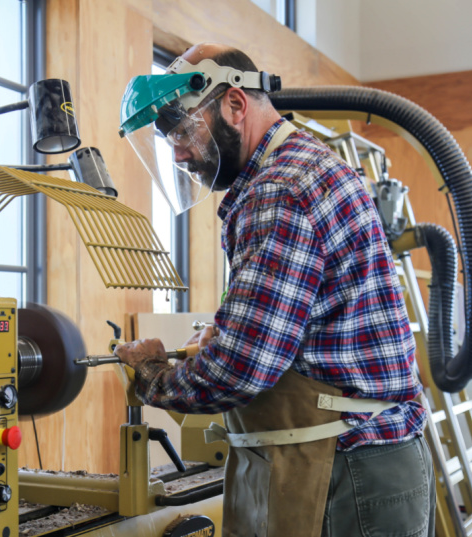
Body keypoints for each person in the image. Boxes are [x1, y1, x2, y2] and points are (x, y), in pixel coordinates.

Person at [115, 43, 435, 537]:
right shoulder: (305, 164)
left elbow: (242, 368)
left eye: (181, 130)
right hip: (367, 456)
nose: (178, 152)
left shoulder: (278, 190)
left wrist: (154, 376)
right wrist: (222, 337)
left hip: (347, 470)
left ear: (236, 105)